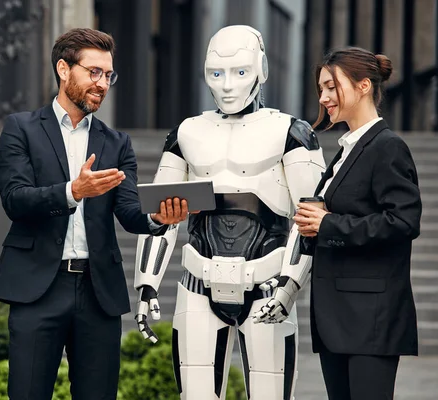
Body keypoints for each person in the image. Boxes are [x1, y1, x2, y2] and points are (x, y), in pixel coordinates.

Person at [0, 28, 189, 400]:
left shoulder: (117, 143)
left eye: (108, 75)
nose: (102, 83)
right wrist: (72, 191)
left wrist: (158, 219)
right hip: (38, 290)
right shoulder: (21, 129)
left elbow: (129, 212)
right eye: (93, 72)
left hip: (99, 294)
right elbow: (15, 200)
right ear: (64, 70)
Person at [133, 25, 326, 399]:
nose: (226, 86)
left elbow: (310, 218)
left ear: (261, 69)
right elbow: (162, 214)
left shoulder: (292, 132)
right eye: (216, 74)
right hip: (197, 285)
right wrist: (146, 283)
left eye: (240, 72)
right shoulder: (187, 133)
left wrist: (290, 285)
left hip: (267, 286)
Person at [293, 47, 422, 400]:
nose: (324, 98)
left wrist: (329, 224)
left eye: (332, 87)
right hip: (339, 317)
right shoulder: (347, 148)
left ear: (364, 86)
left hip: (370, 319)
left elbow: (404, 221)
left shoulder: (387, 147)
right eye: (321, 89)